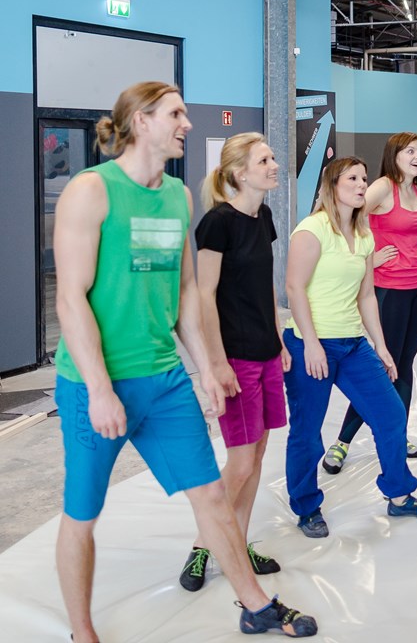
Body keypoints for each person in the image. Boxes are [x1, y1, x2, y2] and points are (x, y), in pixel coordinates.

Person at [53, 82, 316, 641]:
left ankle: (255, 605)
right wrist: (99, 389)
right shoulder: (91, 191)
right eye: (175, 114)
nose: (187, 124)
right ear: (141, 121)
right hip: (95, 382)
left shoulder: (177, 196)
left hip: (163, 378)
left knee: (212, 493)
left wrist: (208, 365)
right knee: (82, 513)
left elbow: (187, 293)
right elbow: (70, 299)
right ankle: (82, 631)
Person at [283, 156, 417, 538]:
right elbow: (293, 288)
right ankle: (306, 507)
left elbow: (367, 295)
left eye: (363, 178)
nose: (360, 185)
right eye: (352, 178)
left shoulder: (364, 235)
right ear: (332, 185)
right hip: (310, 344)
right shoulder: (312, 230)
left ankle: (399, 495)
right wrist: (312, 344)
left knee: (390, 413)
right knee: (307, 432)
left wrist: (381, 347)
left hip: (353, 343)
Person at [177, 132, 287, 592]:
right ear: (240, 173)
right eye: (264, 160)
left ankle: (236, 546)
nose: (274, 164)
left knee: (257, 456)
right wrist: (216, 363)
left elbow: (267, 286)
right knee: (239, 463)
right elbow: (203, 296)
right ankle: (205, 545)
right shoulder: (217, 223)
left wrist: (280, 339)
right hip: (236, 357)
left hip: (267, 352)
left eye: (272, 157)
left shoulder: (265, 217)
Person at [322, 132, 417, 473]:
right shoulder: (384, 187)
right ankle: (342, 443)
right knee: (385, 368)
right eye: (410, 151)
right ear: (394, 155)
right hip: (390, 289)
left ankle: (398, 437)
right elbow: (346, 216)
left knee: (405, 363)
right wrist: (370, 258)